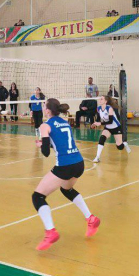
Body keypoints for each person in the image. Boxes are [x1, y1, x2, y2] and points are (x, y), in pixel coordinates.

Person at [32, 98, 100, 251]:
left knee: (38, 197)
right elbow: (61, 142)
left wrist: (42, 145)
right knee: (66, 189)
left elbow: (45, 153)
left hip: (65, 165)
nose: (42, 107)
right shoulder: (64, 122)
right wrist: (45, 143)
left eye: (43, 105)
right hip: (79, 163)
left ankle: (50, 232)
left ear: (47, 110)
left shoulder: (45, 125)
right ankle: (91, 218)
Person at [92, 95, 130, 163]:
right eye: (100, 99)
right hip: (108, 128)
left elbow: (110, 121)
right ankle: (97, 157)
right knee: (102, 138)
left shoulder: (109, 108)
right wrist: (95, 124)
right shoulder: (98, 108)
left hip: (116, 127)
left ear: (105, 101)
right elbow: (98, 119)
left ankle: (124, 143)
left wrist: (100, 123)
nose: (100, 100)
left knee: (119, 147)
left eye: (101, 99)